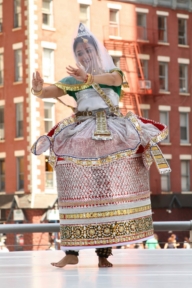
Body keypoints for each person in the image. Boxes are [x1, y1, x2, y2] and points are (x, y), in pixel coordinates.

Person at [31, 23, 171, 268]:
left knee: (106, 194)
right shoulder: (74, 79)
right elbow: (50, 91)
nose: (84, 56)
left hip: (112, 134)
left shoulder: (113, 72)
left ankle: (104, 254)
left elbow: (114, 79)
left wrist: (89, 78)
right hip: (82, 135)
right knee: (73, 190)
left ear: (97, 51)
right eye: (80, 53)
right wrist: (38, 88)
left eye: (88, 51)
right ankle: (71, 252)